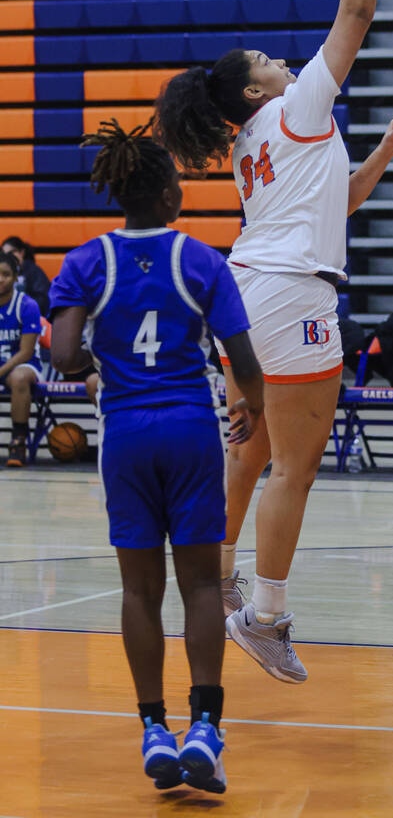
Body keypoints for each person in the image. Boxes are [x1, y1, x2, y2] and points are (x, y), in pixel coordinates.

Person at [154, 0, 393, 684]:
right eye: (269, 59)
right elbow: (357, 10)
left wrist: (379, 153)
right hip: (291, 296)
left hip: (247, 292)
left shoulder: (249, 147)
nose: (283, 60)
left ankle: (217, 574)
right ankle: (264, 614)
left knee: (253, 451)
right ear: (252, 87)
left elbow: (330, 209)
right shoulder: (296, 106)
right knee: (292, 467)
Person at [48, 119, 265, 795]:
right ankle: (204, 725)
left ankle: (152, 728)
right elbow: (244, 359)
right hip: (190, 428)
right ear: (170, 194)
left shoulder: (85, 262)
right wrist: (251, 405)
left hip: (125, 435)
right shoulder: (201, 260)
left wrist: (97, 359)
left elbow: (61, 357)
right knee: (202, 584)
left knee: (140, 589)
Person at [0, 250, 43, 468]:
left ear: (16, 277)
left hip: (24, 364)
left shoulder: (27, 305)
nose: (0, 279)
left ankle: (18, 441)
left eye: (5, 274)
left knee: (18, 378)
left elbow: (25, 352)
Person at [2, 236, 50, 315]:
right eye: (5, 254)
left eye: (11, 252)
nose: (8, 257)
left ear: (22, 252)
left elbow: (43, 300)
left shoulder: (33, 271)